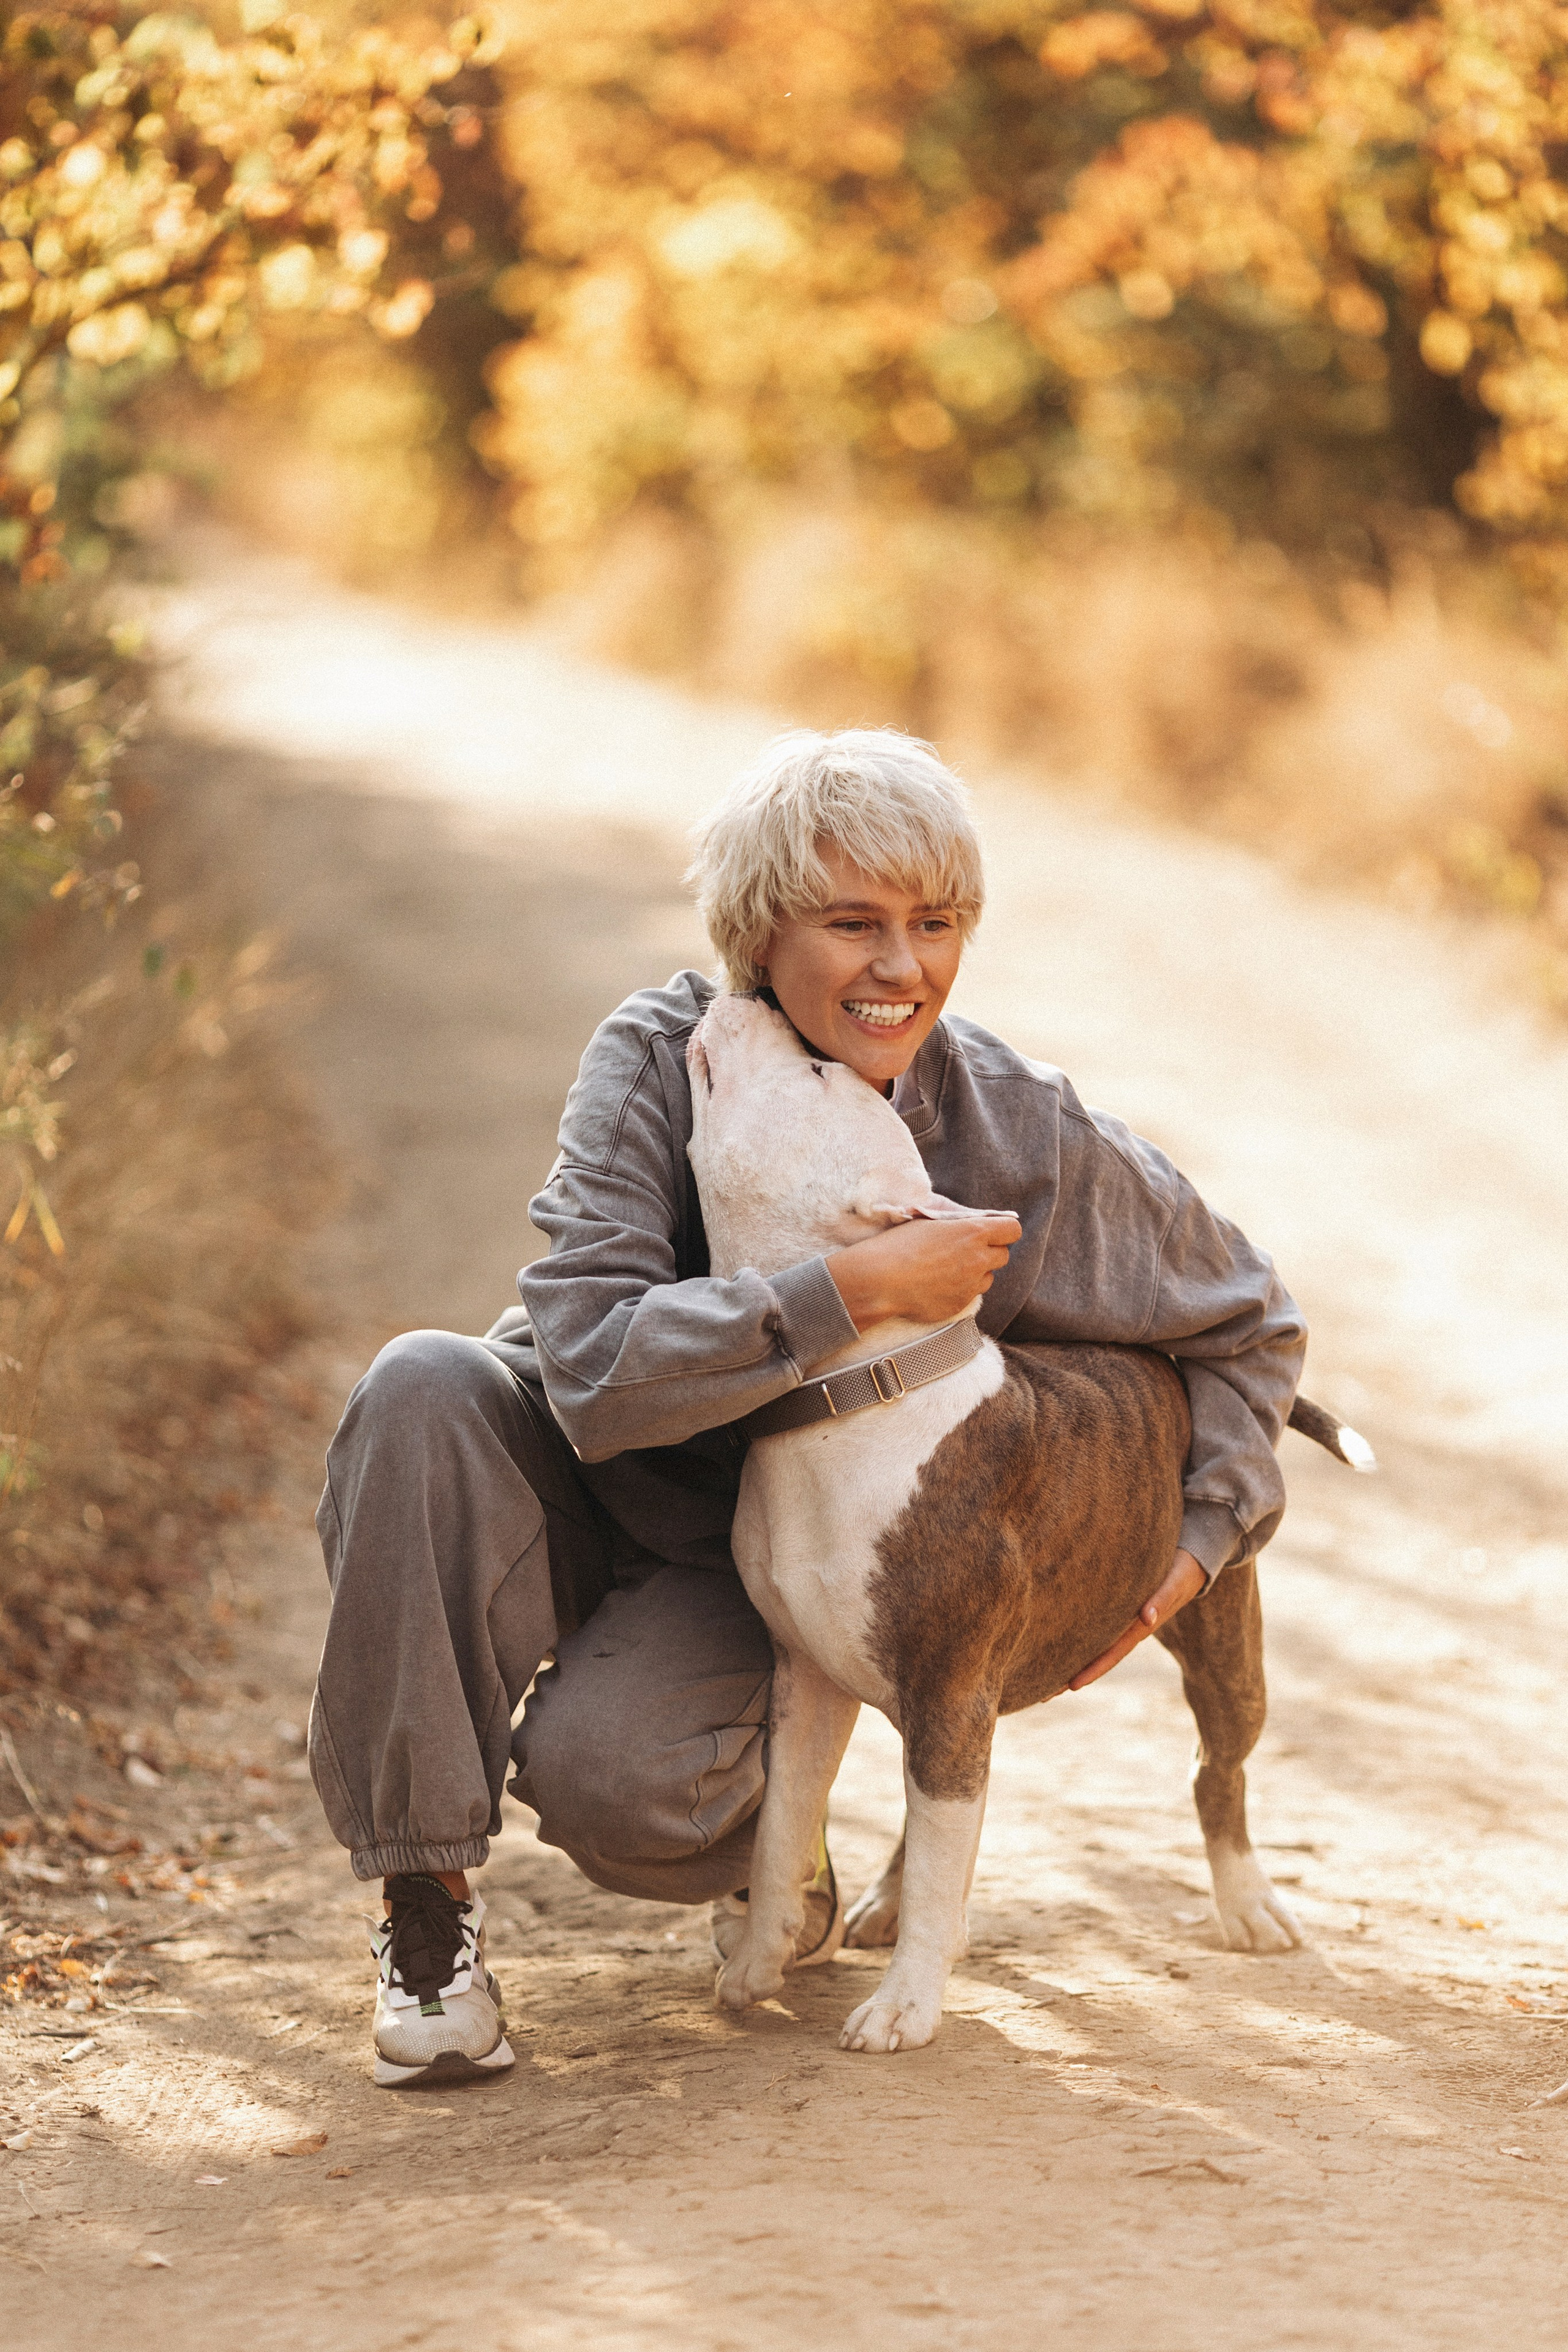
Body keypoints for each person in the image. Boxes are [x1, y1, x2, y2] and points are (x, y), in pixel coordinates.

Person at [308, 728, 1307, 2087]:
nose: (900, 967)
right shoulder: (670, 1060)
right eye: (852, 924)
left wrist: (1205, 1533)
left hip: (779, 1567)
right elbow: (588, 1358)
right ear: (758, 934)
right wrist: (839, 1292)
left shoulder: (1016, 1126)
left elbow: (1247, 1315)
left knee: (631, 1791)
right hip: (591, 1465)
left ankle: (789, 1858)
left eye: (934, 924)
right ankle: (422, 1911)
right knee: (419, 1384)